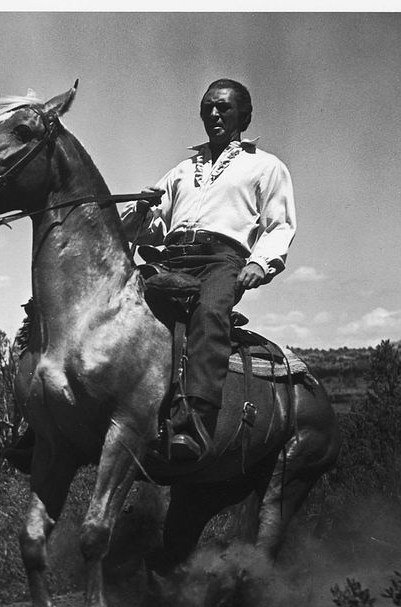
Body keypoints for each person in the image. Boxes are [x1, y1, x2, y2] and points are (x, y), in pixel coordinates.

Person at [121, 78, 296, 463]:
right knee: (117, 302)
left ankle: (191, 423)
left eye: (223, 108)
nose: (213, 114)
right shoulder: (182, 170)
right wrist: (141, 209)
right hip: (171, 256)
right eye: (207, 108)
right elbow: (149, 231)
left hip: (222, 261)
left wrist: (259, 263)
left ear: (243, 116)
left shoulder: (265, 166)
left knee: (209, 313)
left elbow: (280, 225)